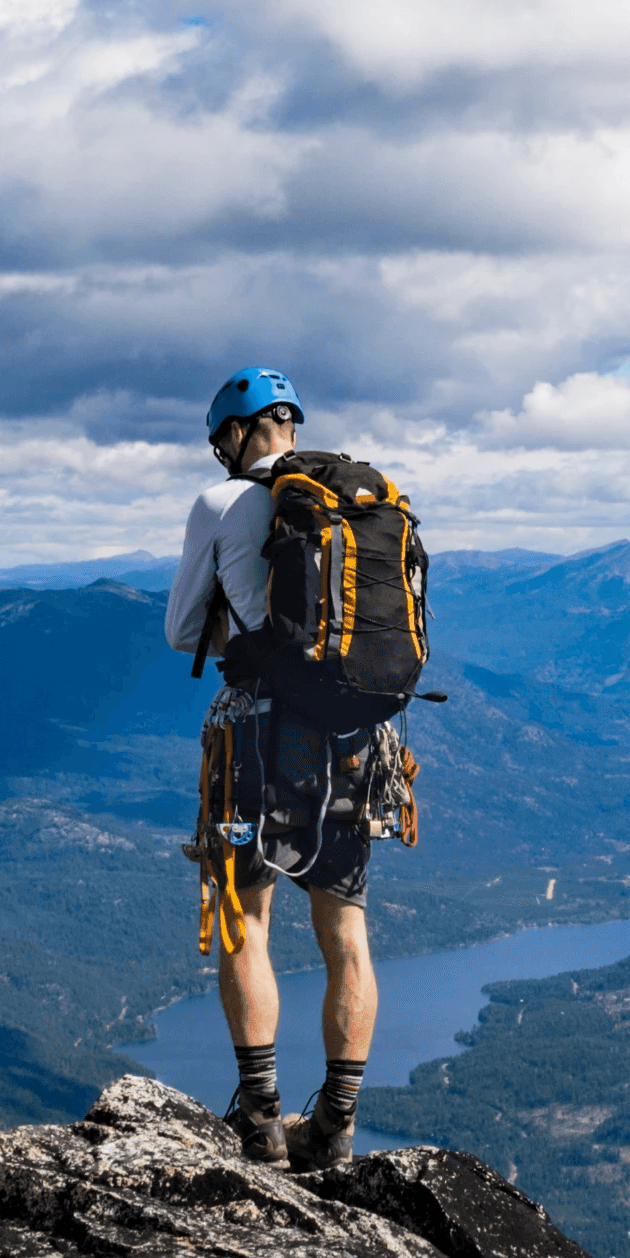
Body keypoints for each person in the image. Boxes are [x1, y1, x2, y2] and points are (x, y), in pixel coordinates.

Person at [165, 365, 377, 1173]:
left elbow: (182, 630)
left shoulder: (220, 503)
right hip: (356, 738)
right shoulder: (356, 502)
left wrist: (241, 614)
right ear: (288, 425)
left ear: (232, 433)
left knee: (245, 925)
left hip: (256, 736)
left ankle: (261, 1125)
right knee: (346, 937)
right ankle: (336, 1124)